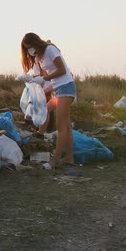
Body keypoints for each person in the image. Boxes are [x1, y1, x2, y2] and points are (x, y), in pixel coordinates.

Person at [19, 32, 77, 170]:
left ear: (35, 42)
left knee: (61, 125)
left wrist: (44, 79)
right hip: (57, 89)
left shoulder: (50, 49)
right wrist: (30, 79)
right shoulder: (39, 56)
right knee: (66, 125)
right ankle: (69, 158)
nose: (29, 50)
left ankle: (54, 162)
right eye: (27, 48)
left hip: (66, 86)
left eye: (30, 46)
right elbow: (43, 75)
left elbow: (62, 70)